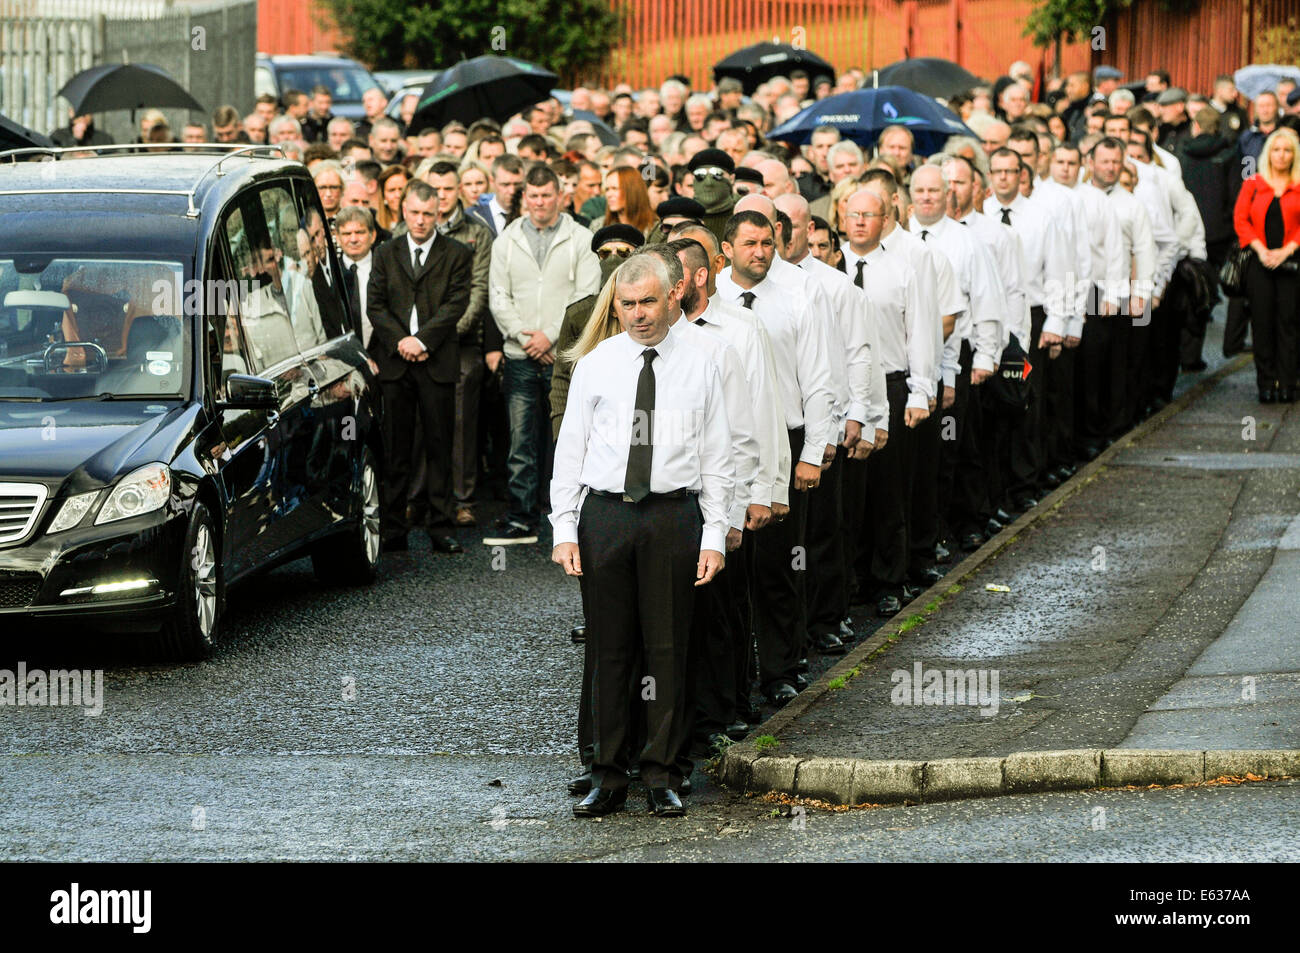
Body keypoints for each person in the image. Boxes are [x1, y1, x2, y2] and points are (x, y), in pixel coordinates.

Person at [552, 253, 733, 819]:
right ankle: (607, 776)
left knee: (668, 648)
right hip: (605, 517)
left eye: (648, 301)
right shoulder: (597, 364)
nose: (637, 314)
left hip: (673, 517)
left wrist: (715, 536)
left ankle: (662, 773)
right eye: (627, 304)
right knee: (609, 651)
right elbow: (570, 451)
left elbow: (719, 455)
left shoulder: (703, 361)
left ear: (673, 295)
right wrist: (564, 528)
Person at [715, 210, 835, 705]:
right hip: (725, 444)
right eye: (750, 243)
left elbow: (820, 376)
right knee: (730, 571)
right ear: (727, 249)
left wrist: (810, 454)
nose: (761, 252)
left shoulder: (798, 292)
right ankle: (734, 678)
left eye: (768, 242)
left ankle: (782, 668)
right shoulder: (711, 296)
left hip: (785, 437)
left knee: (779, 565)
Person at [487, 164, 602, 544]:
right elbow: (498, 296)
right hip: (520, 355)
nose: (539, 202)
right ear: (525, 198)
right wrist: (525, 338)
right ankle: (522, 518)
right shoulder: (506, 239)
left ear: (559, 196)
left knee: (563, 439)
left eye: (546, 195)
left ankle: (564, 517)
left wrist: (551, 338)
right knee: (521, 442)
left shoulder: (581, 238)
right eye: (532, 196)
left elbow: (585, 296)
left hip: (564, 355)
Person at [367, 179, 474, 554]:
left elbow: (456, 304)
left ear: (439, 213)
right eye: (414, 213)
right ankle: (393, 528)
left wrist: (423, 340)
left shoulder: (458, 253)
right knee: (395, 450)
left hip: (436, 360)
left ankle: (441, 527)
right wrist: (401, 341)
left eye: (428, 214)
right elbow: (375, 305)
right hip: (395, 363)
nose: (421, 221)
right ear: (403, 211)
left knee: (439, 447)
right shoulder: (385, 252)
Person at [425, 161, 494, 527]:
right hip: (420, 341)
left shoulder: (477, 232)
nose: (440, 197)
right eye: (434, 190)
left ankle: (463, 497)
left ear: (458, 192)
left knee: (461, 411)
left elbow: (479, 290)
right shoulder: (412, 229)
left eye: (447, 190)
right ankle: (417, 496)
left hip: (460, 340)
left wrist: (445, 335)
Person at [1233, 129, 1300, 403]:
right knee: (1262, 324)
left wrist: (1287, 250)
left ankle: (1287, 382)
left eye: (1287, 150)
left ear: (1294, 155)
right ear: (1267, 153)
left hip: (1292, 263)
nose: (1281, 155)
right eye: (1276, 149)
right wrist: (1260, 250)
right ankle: (1265, 383)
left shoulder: (1298, 185)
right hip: (1259, 263)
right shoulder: (1254, 183)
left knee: (1289, 323)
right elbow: (1240, 220)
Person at [589, 166, 657, 235]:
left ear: (631, 190)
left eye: (615, 188)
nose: (609, 194)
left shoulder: (655, 229)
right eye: (607, 189)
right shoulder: (598, 226)